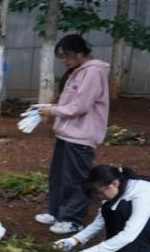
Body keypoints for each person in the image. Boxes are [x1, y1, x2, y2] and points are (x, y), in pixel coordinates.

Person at [32, 35, 111, 236]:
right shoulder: (78, 72)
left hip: (82, 134)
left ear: (79, 53)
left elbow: (80, 106)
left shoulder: (93, 72)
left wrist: (53, 111)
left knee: (75, 179)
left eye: (66, 56)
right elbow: (70, 103)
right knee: (58, 176)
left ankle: (73, 219)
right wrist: (52, 107)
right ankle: (57, 212)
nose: (65, 61)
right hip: (67, 133)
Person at [53, 165, 150, 252]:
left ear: (114, 183)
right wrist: (73, 240)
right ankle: (124, 249)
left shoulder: (142, 193)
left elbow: (130, 233)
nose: (100, 197)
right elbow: (100, 222)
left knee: (123, 207)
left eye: (101, 193)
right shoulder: (118, 191)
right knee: (108, 209)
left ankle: (148, 251)